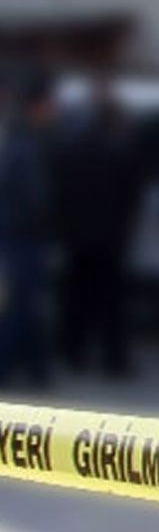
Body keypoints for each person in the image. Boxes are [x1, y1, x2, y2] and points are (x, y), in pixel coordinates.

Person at [55, 75, 144, 377]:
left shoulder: (71, 144)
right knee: (110, 301)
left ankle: (73, 352)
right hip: (108, 236)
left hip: (79, 235)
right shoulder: (120, 147)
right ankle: (113, 360)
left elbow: (62, 190)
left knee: (77, 296)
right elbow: (132, 194)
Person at [0, 69, 58, 389]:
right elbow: (35, 198)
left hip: (18, 235)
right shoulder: (25, 142)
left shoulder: (20, 138)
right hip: (22, 238)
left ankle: (36, 368)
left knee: (26, 305)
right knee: (23, 305)